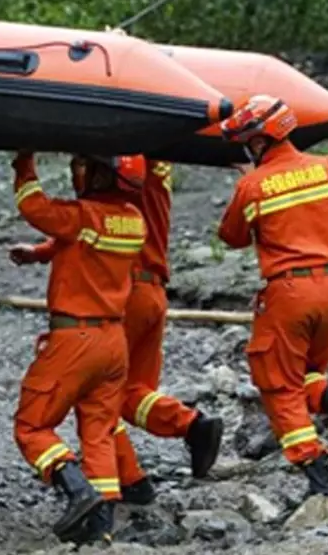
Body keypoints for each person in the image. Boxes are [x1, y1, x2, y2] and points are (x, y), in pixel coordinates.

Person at [216, 94, 328, 501]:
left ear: (260, 140)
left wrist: (246, 183)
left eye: (249, 142)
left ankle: (319, 479)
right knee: (307, 371)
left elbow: (231, 236)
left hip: (289, 293)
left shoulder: (253, 186)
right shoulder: (327, 169)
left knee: (278, 384)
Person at [8, 152, 146, 546]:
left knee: (32, 426)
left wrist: (24, 163)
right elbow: (81, 242)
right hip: (113, 342)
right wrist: (40, 254)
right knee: (99, 431)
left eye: (85, 166)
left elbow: (34, 206)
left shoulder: (83, 215)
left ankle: (76, 489)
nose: (77, 172)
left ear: (103, 175)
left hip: (75, 339)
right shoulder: (134, 221)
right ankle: (102, 524)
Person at [105, 160, 223, 501]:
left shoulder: (129, 167)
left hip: (126, 293)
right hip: (153, 291)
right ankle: (192, 425)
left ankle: (131, 481)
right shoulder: (157, 166)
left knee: (98, 393)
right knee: (133, 392)